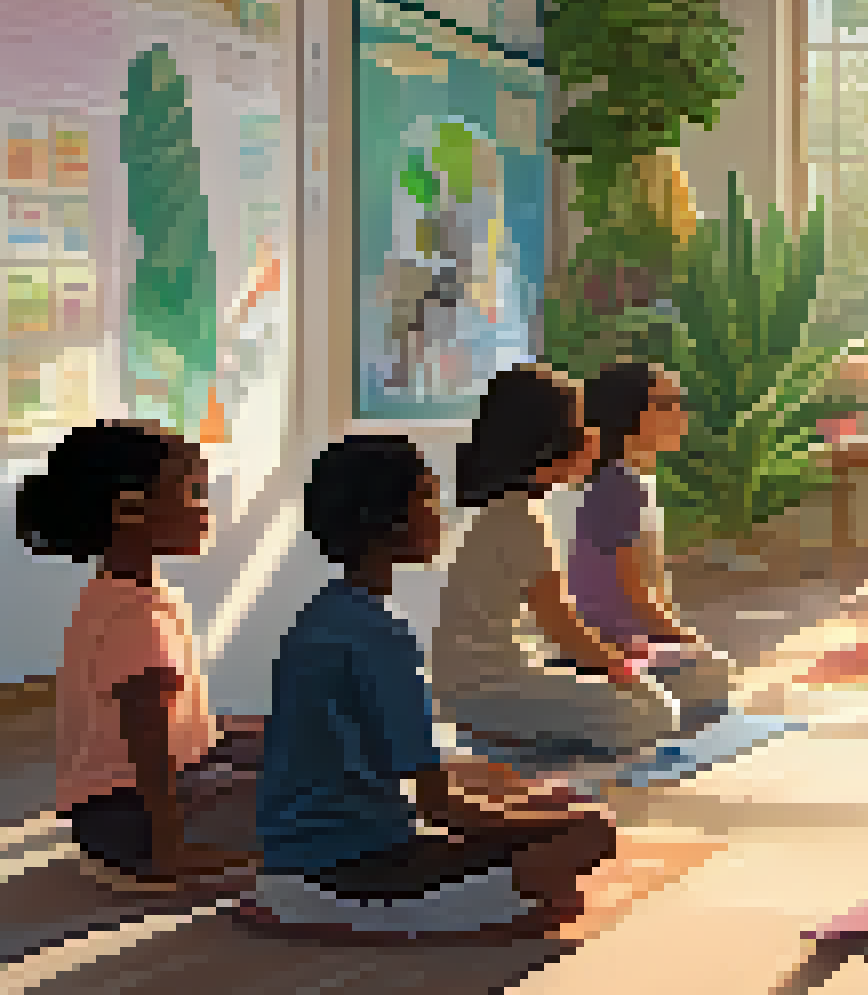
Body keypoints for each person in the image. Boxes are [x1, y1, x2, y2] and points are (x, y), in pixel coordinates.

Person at [252, 436, 617, 936]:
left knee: (516, 789)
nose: (439, 513)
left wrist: (515, 798)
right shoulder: (383, 634)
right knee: (589, 833)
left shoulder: (319, 617)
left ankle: (460, 897)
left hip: (289, 857)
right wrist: (552, 824)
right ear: (393, 520)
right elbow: (438, 806)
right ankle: (406, 910)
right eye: (427, 496)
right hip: (355, 862)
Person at [24, 422, 261, 889]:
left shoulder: (118, 593)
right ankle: (166, 850)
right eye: (191, 492)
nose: (204, 509)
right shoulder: (137, 614)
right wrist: (168, 845)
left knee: (284, 749)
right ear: (129, 509)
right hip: (130, 819)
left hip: (110, 815)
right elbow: (146, 737)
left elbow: (181, 730)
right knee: (315, 785)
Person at [429, 364, 677, 759]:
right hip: (484, 693)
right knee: (653, 711)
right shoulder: (523, 520)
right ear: (549, 441)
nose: (594, 436)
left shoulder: (503, 511)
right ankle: (501, 736)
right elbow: (564, 628)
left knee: (646, 702)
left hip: (475, 684)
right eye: (581, 426)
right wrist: (624, 671)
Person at [570, 362, 736, 729]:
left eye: (680, 402)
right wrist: (690, 641)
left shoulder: (630, 481)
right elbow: (636, 592)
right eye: (667, 403)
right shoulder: (620, 487)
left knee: (710, 672)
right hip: (615, 645)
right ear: (630, 416)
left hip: (632, 640)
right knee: (714, 672)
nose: (681, 413)